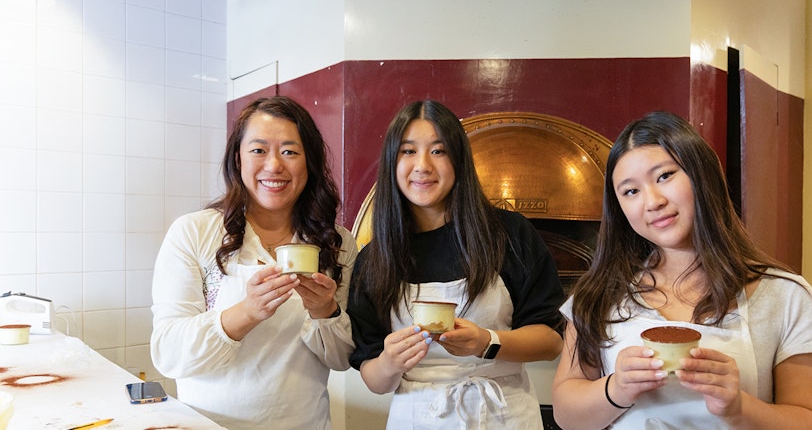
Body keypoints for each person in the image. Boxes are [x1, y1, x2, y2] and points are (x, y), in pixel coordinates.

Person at [551, 111, 812, 429]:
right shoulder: (598, 295)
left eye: (664, 176)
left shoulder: (784, 296)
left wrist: (738, 407)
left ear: (702, 175)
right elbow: (566, 416)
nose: (652, 201)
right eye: (631, 191)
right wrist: (616, 389)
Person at [347, 99, 566, 428]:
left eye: (438, 151)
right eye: (408, 151)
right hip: (419, 417)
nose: (423, 165)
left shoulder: (509, 234)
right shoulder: (375, 259)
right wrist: (390, 363)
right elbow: (375, 380)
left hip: (503, 414)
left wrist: (486, 342)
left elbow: (550, 341)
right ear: (392, 162)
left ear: (459, 159)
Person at [150, 96, 357, 430]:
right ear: (238, 158)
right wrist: (247, 312)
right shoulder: (194, 232)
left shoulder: (337, 243)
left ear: (310, 161)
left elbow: (341, 358)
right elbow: (168, 353)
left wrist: (325, 311)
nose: (274, 165)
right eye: (259, 150)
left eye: (290, 152)